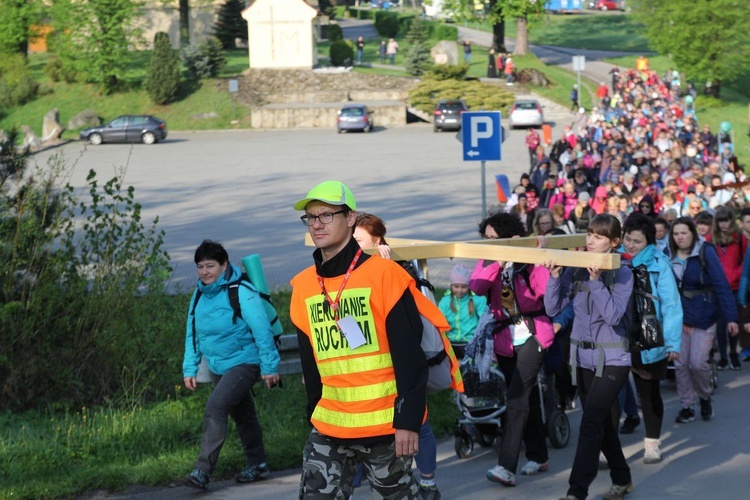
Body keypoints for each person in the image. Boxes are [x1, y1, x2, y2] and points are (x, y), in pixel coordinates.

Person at [290, 181, 442, 499]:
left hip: (385, 426)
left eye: (326, 215)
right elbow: (311, 363)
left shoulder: (385, 275)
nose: (316, 223)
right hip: (330, 426)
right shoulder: (303, 286)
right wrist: (314, 414)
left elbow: (409, 358)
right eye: (311, 217)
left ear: (350, 218)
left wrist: (408, 420)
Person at [352, 211, 457, 500]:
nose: (355, 246)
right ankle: (357, 480)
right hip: (367, 363)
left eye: (360, 241)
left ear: (378, 241)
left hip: (402, 363)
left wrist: (386, 268)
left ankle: (426, 482)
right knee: (364, 427)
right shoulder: (349, 269)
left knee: (417, 423)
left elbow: (406, 316)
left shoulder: (399, 268)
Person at [544, 214, 634, 500]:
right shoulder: (579, 267)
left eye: (599, 236)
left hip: (613, 358)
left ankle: (576, 492)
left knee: (591, 421)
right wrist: (555, 276)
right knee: (601, 423)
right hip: (581, 358)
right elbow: (552, 307)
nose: (591, 241)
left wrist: (596, 282)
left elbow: (613, 315)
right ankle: (622, 478)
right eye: (590, 234)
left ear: (614, 242)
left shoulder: (623, 272)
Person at [182, 240, 280, 490]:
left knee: (216, 406)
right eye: (200, 266)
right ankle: (258, 464)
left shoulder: (241, 290)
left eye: (210, 266)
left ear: (224, 265)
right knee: (243, 415)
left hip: (245, 362)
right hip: (218, 365)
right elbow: (193, 332)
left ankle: (203, 470)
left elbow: (261, 329)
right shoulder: (199, 294)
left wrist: (269, 366)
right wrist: (189, 367)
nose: (205, 272)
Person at [470, 213, 554, 489]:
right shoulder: (489, 261)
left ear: (513, 238)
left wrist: (540, 259)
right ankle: (539, 455)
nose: (490, 243)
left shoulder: (528, 260)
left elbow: (541, 293)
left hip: (532, 333)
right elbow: (477, 286)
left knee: (517, 396)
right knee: (521, 397)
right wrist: (497, 262)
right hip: (505, 338)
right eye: (487, 239)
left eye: (496, 239)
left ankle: (506, 466)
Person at [620, 214, 682, 464]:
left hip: (649, 336)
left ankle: (652, 443)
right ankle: (607, 446)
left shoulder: (660, 264)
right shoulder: (613, 259)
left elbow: (671, 305)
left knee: (648, 391)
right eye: (627, 239)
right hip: (618, 334)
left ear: (649, 241)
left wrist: (673, 343)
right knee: (612, 393)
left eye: (637, 241)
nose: (631, 245)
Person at [666, 217, 738, 424]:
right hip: (678, 317)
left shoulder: (705, 252)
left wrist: (731, 318)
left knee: (697, 364)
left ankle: (704, 397)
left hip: (704, 316)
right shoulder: (667, 255)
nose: (680, 237)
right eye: (676, 233)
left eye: (684, 233)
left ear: (693, 233)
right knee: (680, 366)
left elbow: (721, 285)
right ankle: (687, 406)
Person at [710, 205, 745, 370]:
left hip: (735, 286)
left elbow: (746, 260)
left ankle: (733, 354)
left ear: (731, 221)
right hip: (717, 287)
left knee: (734, 322)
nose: (723, 224)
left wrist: (736, 274)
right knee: (720, 324)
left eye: (726, 220)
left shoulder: (739, 236)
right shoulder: (712, 238)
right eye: (721, 221)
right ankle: (723, 356)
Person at [439, 263, 487, 358]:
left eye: (464, 287)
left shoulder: (477, 299)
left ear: (469, 286)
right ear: (451, 285)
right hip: (450, 343)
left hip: (471, 343)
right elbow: (439, 322)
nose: (460, 290)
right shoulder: (445, 302)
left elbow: (484, 320)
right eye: (456, 286)